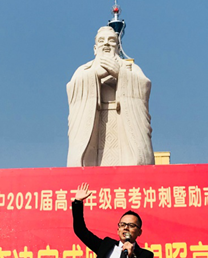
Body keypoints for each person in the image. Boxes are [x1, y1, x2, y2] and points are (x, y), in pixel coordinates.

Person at [66, 27, 154, 167]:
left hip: (122, 125)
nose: (106, 43)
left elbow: (144, 86)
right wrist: (94, 75)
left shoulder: (131, 69)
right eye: (101, 41)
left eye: (111, 40)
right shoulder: (84, 71)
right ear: (95, 49)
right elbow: (72, 89)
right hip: (95, 126)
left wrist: (121, 74)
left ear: (118, 47)